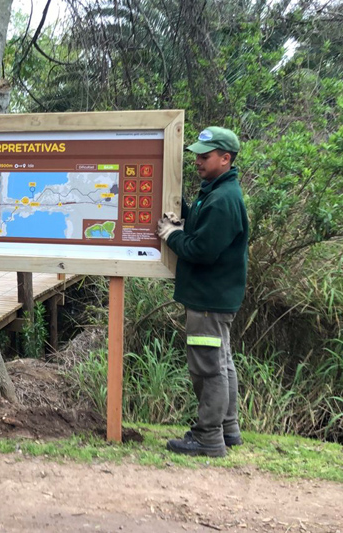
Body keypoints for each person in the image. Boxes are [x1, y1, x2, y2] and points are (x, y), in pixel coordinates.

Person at [158, 127, 249, 458]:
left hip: (209, 300)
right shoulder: (214, 191)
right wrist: (180, 210)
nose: (197, 161)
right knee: (222, 362)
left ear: (225, 159)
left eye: (205, 156)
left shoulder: (222, 200)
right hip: (215, 297)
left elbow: (201, 251)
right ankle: (228, 429)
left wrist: (171, 235)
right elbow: (201, 229)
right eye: (196, 155)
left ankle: (208, 437)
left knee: (208, 368)